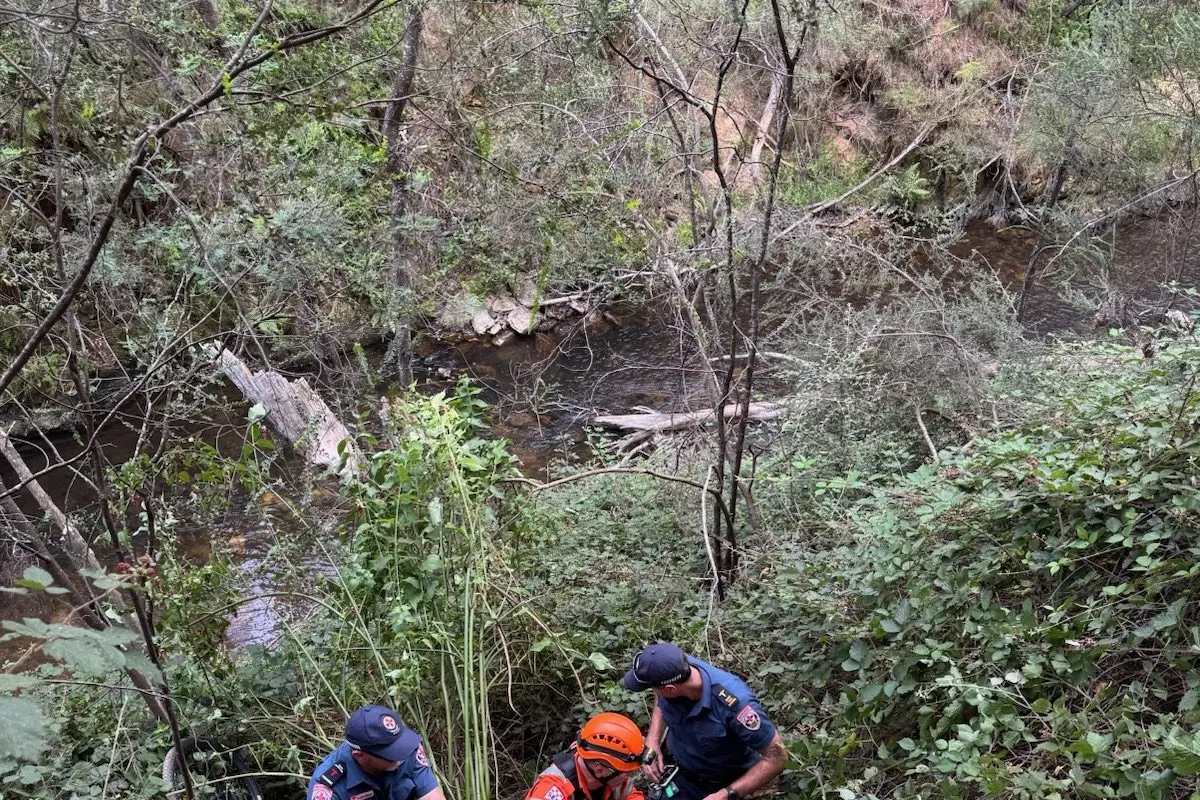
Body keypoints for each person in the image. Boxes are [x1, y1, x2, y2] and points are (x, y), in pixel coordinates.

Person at [622, 643, 787, 800]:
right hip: (680, 774)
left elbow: (777, 757)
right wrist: (653, 739)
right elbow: (661, 696)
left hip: (724, 785)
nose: (656, 693)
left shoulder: (736, 705)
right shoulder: (673, 667)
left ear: (671, 689)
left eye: (653, 688)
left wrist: (727, 794)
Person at [307, 704, 448, 800]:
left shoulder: (408, 748)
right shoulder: (329, 788)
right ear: (360, 756)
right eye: (391, 754)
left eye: (400, 746)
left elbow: (432, 796)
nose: (400, 757)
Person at [524, 712, 647, 800]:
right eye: (627, 773)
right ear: (599, 770)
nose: (629, 777)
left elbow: (631, 795)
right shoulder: (555, 787)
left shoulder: (612, 776)